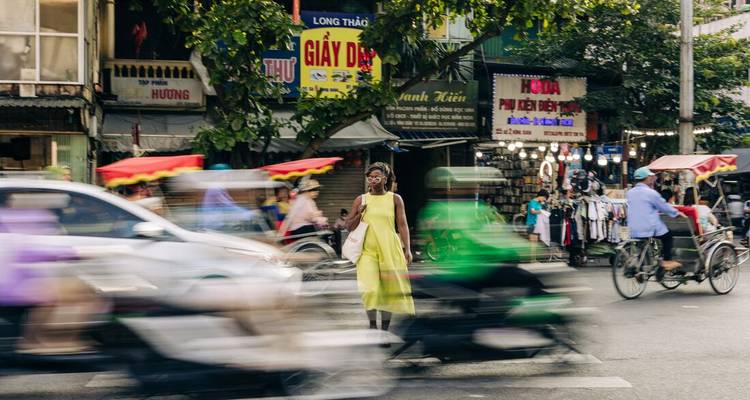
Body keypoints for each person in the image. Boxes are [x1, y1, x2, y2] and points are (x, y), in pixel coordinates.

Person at [346, 162, 414, 332]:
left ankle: (383, 331)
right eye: (370, 177)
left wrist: (408, 249)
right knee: (370, 289)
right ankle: (372, 326)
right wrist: (360, 213)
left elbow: (403, 225)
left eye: (376, 177)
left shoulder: (395, 199)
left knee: (388, 292)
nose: (373, 180)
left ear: (385, 178)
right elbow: (349, 226)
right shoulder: (360, 199)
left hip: (389, 249)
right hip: (367, 252)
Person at [626, 167, 685, 270]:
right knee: (667, 236)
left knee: (642, 245)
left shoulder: (630, 193)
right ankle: (666, 261)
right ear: (647, 178)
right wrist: (676, 213)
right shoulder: (651, 193)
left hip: (633, 227)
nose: (653, 178)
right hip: (648, 226)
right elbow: (663, 206)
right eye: (651, 177)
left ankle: (641, 267)